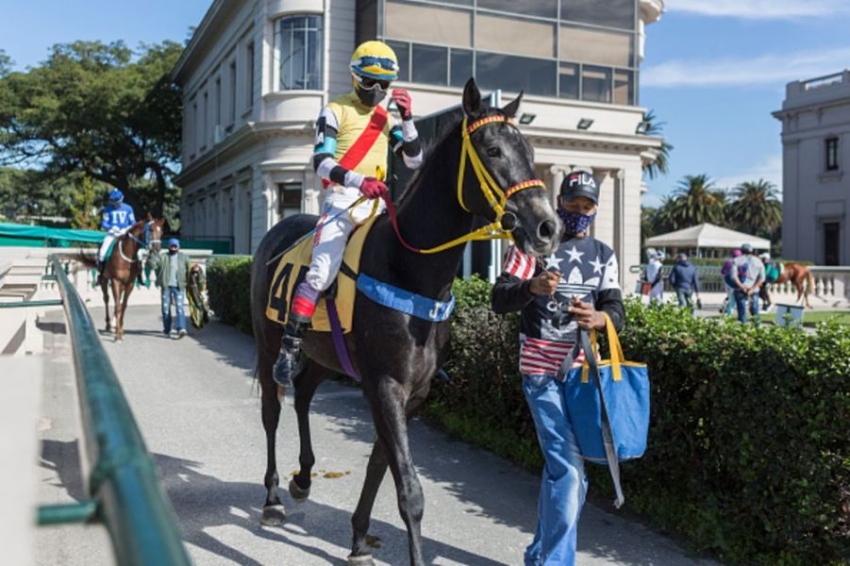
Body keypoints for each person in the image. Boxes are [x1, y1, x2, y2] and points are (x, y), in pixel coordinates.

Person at [271, 40, 423, 388]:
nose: (376, 91)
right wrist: (359, 180)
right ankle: (290, 348)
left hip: (379, 205)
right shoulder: (334, 109)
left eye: (383, 85)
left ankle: (417, 350)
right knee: (321, 272)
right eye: (369, 82)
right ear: (355, 77)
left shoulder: (387, 118)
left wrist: (409, 119)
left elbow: (414, 160)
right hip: (343, 201)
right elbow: (321, 161)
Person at [491, 170, 625, 566]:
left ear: (596, 209)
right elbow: (498, 298)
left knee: (569, 471)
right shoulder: (530, 244)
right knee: (568, 470)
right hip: (539, 369)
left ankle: (540, 554)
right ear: (558, 202)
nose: (579, 213)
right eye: (571, 205)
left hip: (584, 374)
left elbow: (617, 310)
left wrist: (600, 318)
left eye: (587, 207)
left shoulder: (604, 255)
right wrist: (531, 287)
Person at [146, 237, 191, 339]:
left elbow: (190, 269)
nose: (174, 248)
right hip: (166, 286)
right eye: (172, 246)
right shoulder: (163, 257)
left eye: (176, 246)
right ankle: (167, 329)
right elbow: (153, 265)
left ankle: (181, 328)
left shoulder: (184, 258)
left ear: (179, 247)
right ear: (168, 247)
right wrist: (151, 254)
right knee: (165, 308)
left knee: (179, 308)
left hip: (179, 286)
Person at [96, 188, 136, 284]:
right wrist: (111, 228)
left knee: (137, 252)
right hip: (112, 233)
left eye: (115, 201)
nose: (114, 203)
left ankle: (139, 274)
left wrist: (128, 228)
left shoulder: (128, 208)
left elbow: (133, 222)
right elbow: (103, 223)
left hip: (126, 232)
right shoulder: (107, 209)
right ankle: (101, 275)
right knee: (102, 253)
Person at [729, 242, 765, 323]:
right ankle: (757, 328)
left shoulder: (736, 261)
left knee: (742, 311)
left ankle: (743, 328)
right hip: (754, 289)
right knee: (755, 310)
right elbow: (762, 278)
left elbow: (733, 276)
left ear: (741, 251)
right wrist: (752, 288)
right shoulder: (759, 262)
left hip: (740, 289)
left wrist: (742, 287)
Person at [719, 249, 742, 316]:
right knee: (733, 300)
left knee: (731, 298)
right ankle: (729, 313)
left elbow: (722, 273)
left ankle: (727, 311)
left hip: (727, 283)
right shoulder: (739, 263)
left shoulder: (728, 262)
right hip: (736, 283)